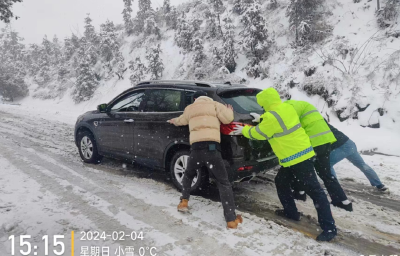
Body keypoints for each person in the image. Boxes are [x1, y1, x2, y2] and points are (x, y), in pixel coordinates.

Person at [234, 88, 337, 241]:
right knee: (281, 181)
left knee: (316, 192)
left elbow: (260, 134)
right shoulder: (286, 108)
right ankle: (291, 212)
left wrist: (244, 130)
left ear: (265, 103)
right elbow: (277, 120)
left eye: (262, 105)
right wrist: (262, 118)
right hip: (296, 156)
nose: (262, 108)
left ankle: (329, 228)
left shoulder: (271, 116)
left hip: (298, 158)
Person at [167, 90, 243, 229]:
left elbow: (181, 120)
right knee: (223, 182)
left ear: (195, 99)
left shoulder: (190, 108)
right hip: (212, 149)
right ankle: (231, 219)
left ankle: (184, 202)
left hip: (196, 150)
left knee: (188, 174)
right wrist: (229, 110)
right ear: (206, 98)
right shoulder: (215, 105)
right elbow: (228, 119)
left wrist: (173, 121)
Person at [282, 100, 352, 211]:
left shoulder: (287, 109)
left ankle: (300, 193)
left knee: (302, 169)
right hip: (325, 140)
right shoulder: (304, 105)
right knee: (325, 172)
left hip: (312, 142)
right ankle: (342, 201)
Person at [327, 122, 388, 192]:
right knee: (362, 165)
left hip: (341, 147)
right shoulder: (322, 123)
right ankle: (380, 185)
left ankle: (334, 187)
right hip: (350, 144)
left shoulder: (318, 127)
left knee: (327, 164)